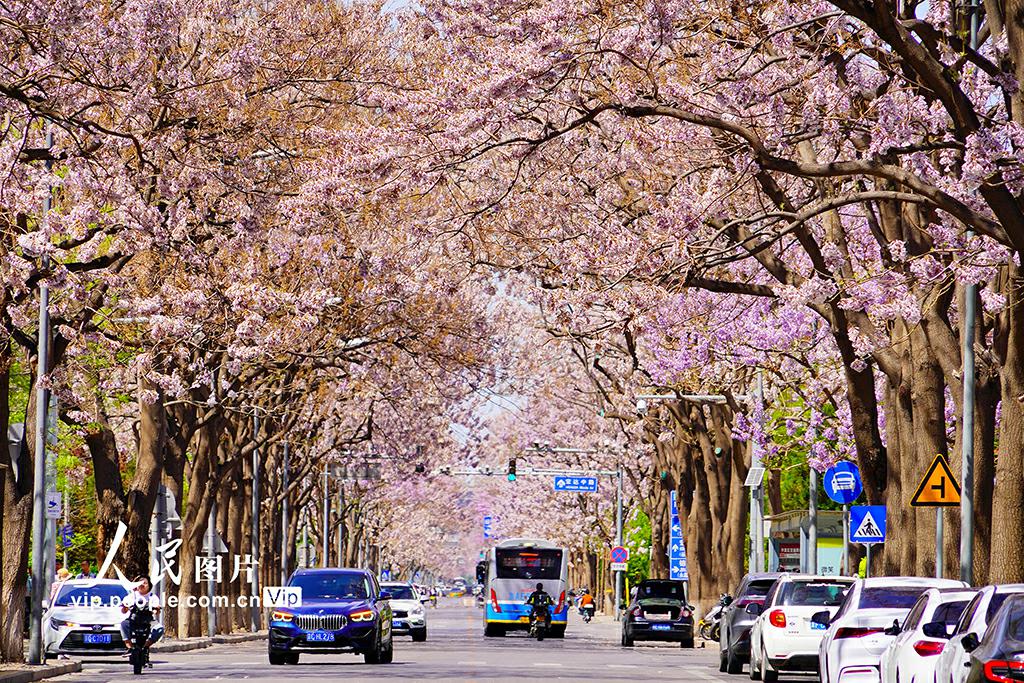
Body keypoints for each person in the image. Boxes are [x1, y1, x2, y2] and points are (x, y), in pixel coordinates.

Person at [119, 576, 164, 652]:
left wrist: (156, 610)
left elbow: (157, 611)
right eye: (140, 583)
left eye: (145, 583)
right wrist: (125, 607)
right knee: (123, 624)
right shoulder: (131, 596)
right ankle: (129, 647)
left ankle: (146, 646)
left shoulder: (153, 597)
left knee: (159, 628)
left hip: (148, 621)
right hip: (133, 620)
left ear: (149, 585)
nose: (142, 585)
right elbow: (124, 611)